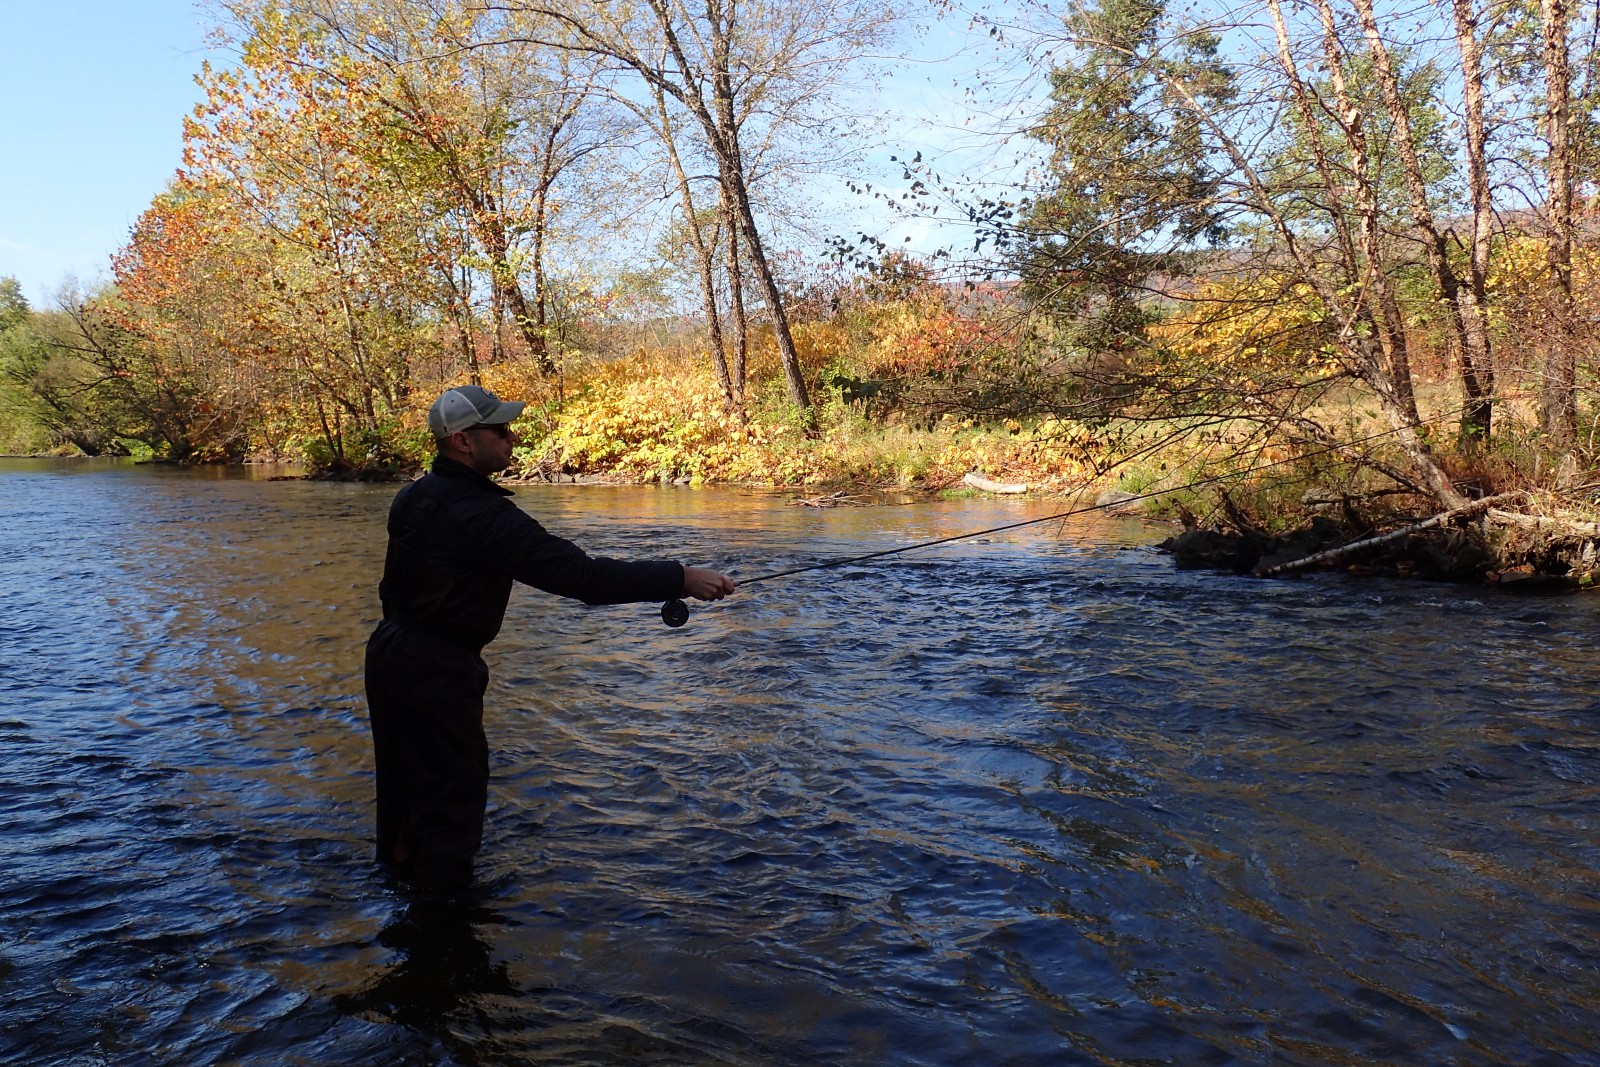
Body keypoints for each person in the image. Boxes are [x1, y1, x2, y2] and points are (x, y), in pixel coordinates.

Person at [364, 384, 736, 891]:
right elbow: (582, 578)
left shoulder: (413, 496)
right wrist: (680, 577)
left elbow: (393, 586)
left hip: (389, 654)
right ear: (462, 442)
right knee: (452, 803)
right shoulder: (481, 515)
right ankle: (446, 934)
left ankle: (404, 900)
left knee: (402, 793)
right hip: (436, 670)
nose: (511, 437)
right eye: (499, 429)